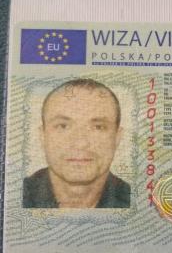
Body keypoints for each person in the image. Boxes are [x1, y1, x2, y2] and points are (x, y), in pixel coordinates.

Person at [23, 79, 130, 208]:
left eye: (98, 127)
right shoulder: (15, 196)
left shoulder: (139, 200)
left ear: (117, 138)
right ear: (42, 136)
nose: (80, 143)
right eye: (63, 126)